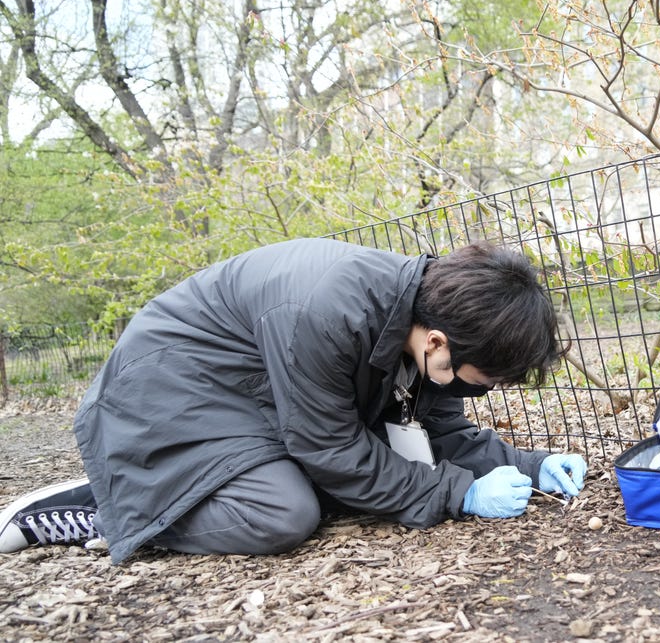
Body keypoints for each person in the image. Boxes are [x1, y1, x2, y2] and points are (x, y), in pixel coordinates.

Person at [0, 238, 586, 563]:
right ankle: (114, 511)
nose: (482, 389)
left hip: (248, 393)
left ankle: (145, 496)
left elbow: (436, 431)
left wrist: (527, 466)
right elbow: (327, 447)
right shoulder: (332, 314)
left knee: (345, 485)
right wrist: (459, 492)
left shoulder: (425, 320)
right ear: (438, 342)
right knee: (285, 514)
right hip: (170, 387)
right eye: (485, 377)